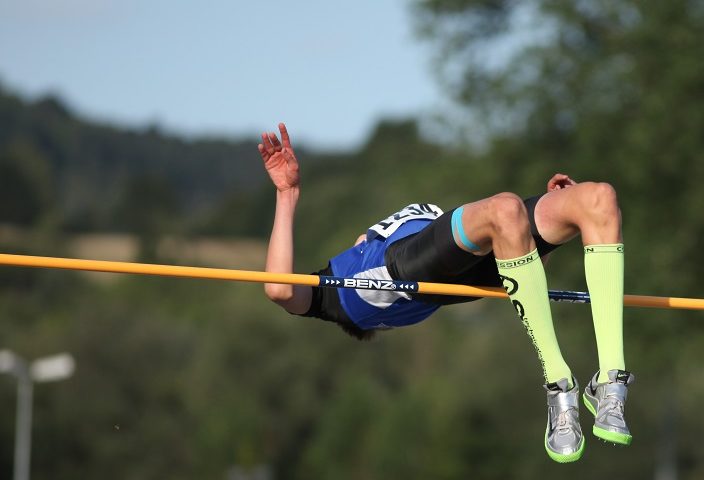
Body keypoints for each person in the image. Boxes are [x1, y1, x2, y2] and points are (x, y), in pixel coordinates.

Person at [259, 122, 633, 462]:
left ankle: (608, 380)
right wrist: (287, 195)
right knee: (504, 208)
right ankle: (558, 384)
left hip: (479, 256)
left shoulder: (402, 260)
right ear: (370, 319)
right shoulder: (338, 293)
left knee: (598, 198)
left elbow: (521, 276)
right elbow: (278, 290)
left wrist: (550, 229)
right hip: (416, 265)